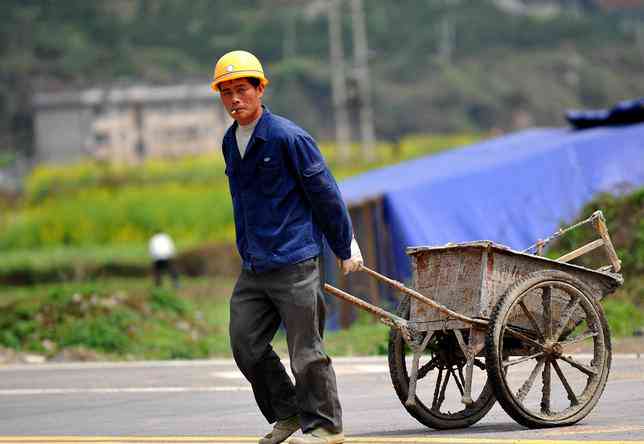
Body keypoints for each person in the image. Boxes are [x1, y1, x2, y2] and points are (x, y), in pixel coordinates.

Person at [211, 50, 363, 444]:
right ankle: (289, 413)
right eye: (226, 93)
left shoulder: (288, 138)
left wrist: (345, 244)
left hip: (295, 261)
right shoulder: (231, 142)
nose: (234, 100)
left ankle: (326, 426)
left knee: (306, 353)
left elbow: (325, 193)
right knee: (245, 345)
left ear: (261, 89)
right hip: (255, 266)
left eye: (242, 90)